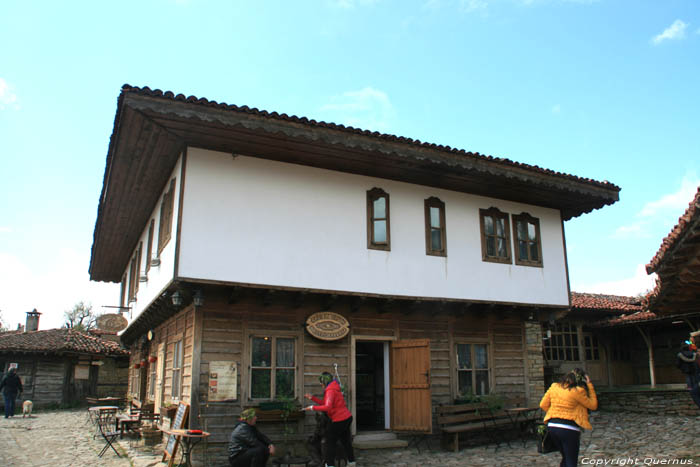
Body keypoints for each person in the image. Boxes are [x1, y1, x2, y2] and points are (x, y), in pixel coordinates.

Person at [539, 368, 597, 467]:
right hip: (569, 429)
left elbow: (543, 405)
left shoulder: (554, 387)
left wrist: (555, 412)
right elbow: (593, 405)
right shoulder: (577, 391)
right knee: (571, 460)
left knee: (565, 457)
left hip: (552, 426)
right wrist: (590, 385)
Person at [304, 372, 356, 467]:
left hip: (339, 420)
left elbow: (327, 407)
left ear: (325, 381)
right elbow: (325, 403)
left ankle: (330, 464)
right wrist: (312, 398)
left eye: (321, 382)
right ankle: (352, 462)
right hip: (347, 418)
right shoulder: (335, 388)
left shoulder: (330, 390)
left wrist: (312, 407)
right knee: (345, 441)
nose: (321, 384)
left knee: (329, 442)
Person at [676, 342, 700, 409]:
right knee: (694, 378)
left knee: (688, 377)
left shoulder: (680, 354)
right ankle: (694, 386)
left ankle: (690, 387)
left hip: (685, 368)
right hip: (694, 368)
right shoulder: (693, 354)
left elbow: (678, 363)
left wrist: (680, 367)